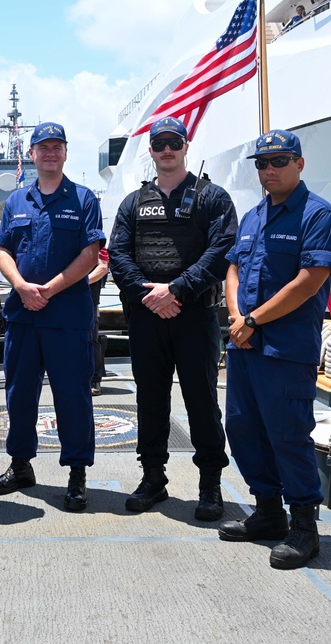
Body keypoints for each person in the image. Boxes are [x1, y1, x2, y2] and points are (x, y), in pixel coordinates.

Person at [218, 129, 331, 569]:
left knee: (288, 436)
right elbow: (233, 267)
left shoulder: (317, 216)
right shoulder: (254, 216)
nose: (268, 170)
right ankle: (268, 512)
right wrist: (238, 318)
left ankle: (305, 527)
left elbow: (309, 282)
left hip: (285, 352)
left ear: (300, 164)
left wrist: (252, 321)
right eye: (262, 164)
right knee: (244, 430)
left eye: (279, 162)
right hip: (246, 347)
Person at [108, 116, 237, 521]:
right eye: (160, 143)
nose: (167, 149)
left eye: (174, 142)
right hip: (148, 316)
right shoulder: (133, 202)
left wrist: (176, 290)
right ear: (151, 150)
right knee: (150, 401)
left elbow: (222, 250)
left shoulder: (212, 197)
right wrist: (151, 295)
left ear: (185, 146)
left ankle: (210, 484)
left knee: (202, 400)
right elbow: (119, 254)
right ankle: (152, 478)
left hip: (194, 316)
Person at [0, 122, 104, 512]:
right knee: (19, 394)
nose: (50, 153)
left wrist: (49, 289)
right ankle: (21, 464)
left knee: (72, 397)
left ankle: (76, 473)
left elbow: (91, 254)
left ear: (66, 153)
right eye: (43, 147)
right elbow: (2, 250)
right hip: (23, 316)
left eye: (57, 146)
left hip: (67, 317)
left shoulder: (84, 199)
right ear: (32, 155)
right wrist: (21, 286)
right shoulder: (17, 201)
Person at [88, 247, 110, 396]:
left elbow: (102, 268)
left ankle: (95, 379)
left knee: (91, 339)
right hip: (65, 296)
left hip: (89, 298)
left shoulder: (97, 243)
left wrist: (76, 282)